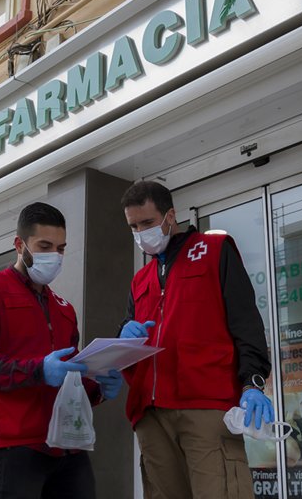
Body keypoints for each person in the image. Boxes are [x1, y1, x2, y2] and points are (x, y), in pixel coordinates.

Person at [118, 181, 274, 499]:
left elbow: (246, 323)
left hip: (206, 407)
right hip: (150, 413)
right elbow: (132, 342)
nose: (140, 233)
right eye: (133, 226)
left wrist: (252, 383)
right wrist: (122, 338)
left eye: (147, 223)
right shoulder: (140, 280)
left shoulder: (215, 250)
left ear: (170, 215)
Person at [0, 202, 123, 499]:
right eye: (44, 245)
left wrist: (97, 387)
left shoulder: (64, 309)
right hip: (13, 444)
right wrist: (38, 370)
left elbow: (68, 378)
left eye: (60, 248)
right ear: (19, 244)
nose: (55, 256)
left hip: (66, 445)